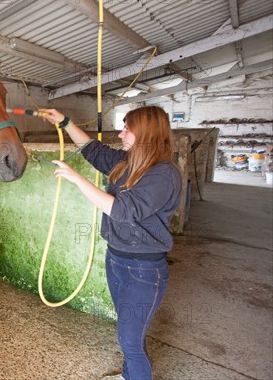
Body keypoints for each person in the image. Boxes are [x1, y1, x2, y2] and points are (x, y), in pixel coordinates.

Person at [39, 106, 183, 380]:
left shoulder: (164, 174)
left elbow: (122, 210)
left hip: (144, 270)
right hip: (116, 260)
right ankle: (130, 376)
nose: (121, 133)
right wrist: (65, 121)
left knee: (129, 340)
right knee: (130, 335)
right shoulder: (128, 162)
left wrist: (75, 178)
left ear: (148, 133)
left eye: (128, 128)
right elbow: (92, 150)